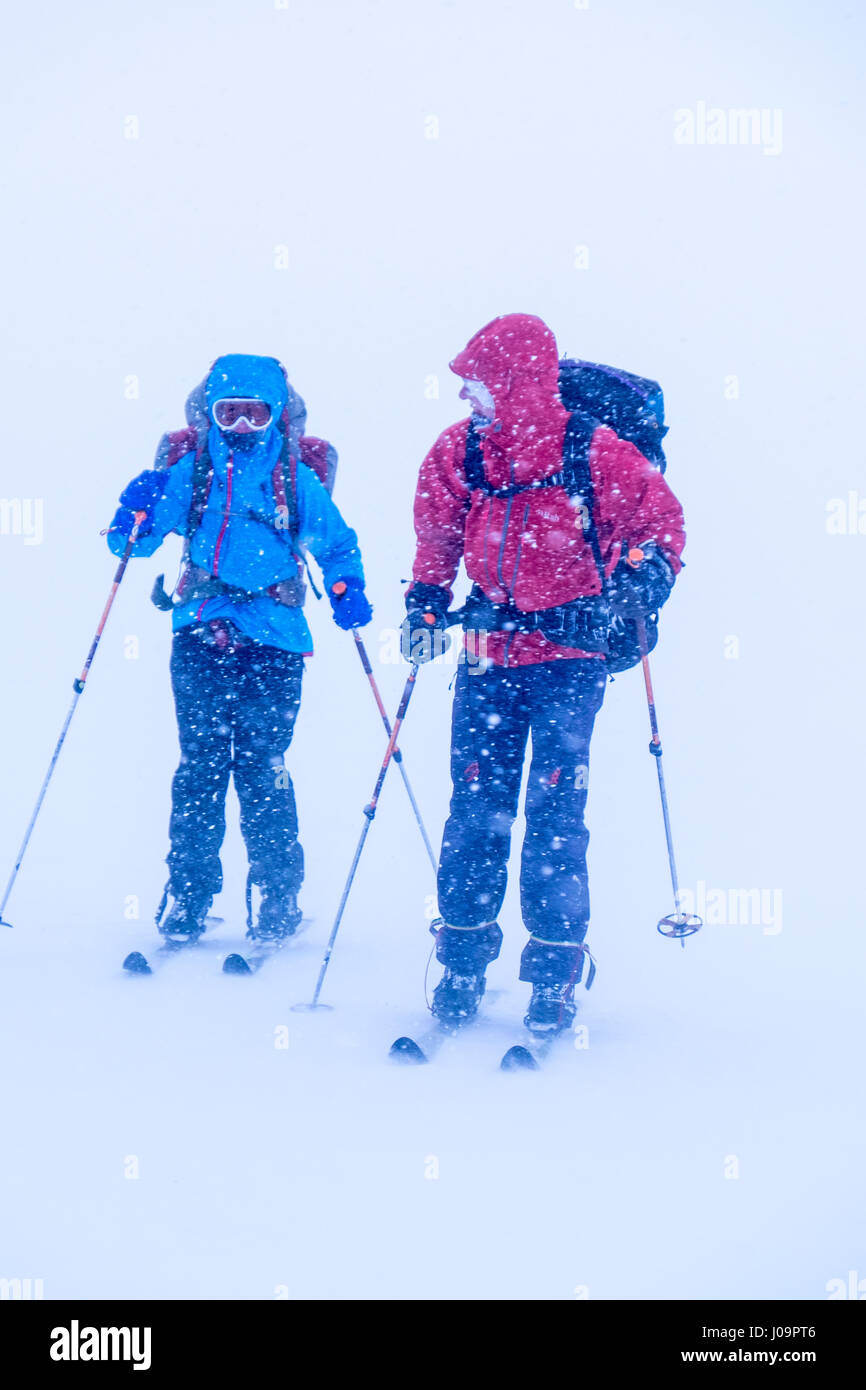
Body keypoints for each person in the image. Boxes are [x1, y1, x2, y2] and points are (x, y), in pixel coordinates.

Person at [401, 314, 686, 1034]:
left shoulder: (596, 452)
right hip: (486, 655)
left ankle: (554, 972)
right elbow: (437, 528)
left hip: (569, 662)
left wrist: (642, 581)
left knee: (555, 815)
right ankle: (462, 959)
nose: (466, 398)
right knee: (474, 808)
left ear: (516, 384)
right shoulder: (459, 452)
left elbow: (662, 523)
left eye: (477, 385)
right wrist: (427, 600)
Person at [108, 353, 372, 942]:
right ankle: (188, 893)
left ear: (277, 415)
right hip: (202, 629)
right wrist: (133, 513)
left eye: (256, 414)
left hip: (274, 638)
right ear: (212, 414)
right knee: (200, 767)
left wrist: (347, 586)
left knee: (262, 767)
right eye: (230, 413)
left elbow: (336, 543)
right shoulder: (194, 470)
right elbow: (134, 546)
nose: (243, 427)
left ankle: (277, 893)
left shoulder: (293, 476)